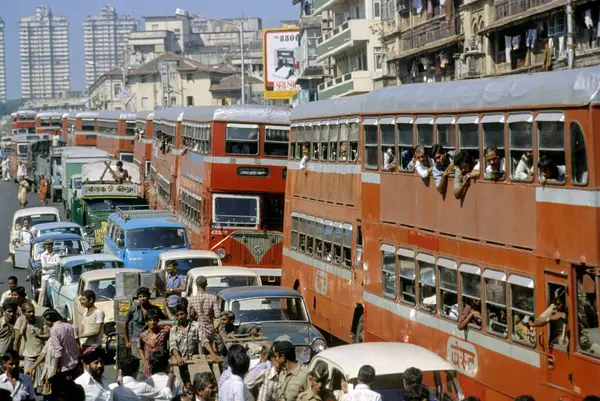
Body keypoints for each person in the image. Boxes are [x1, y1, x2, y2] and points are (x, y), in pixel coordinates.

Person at [14, 301, 49, 389]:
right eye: (29, 312)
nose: (32, 313)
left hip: (41, 355)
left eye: (32, 311)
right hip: (29, 355)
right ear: (23, 313)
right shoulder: (20, 321)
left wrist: (39, 336)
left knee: (45, 381)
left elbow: (48, 335)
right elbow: (17, 339)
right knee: (27, 380)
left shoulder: (40, 320)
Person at [124, 287, 167, 358]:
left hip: (151, 340)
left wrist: (166, 307)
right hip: (137, 339)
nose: (142, 298)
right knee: (138, 361)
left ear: (149, 297)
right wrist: (127, 341)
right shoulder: (133, 309)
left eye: (144, 296)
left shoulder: (155, 309)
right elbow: (125, 324)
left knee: (153, 361)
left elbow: (165, 320)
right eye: (140, 297)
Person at [43, 307, 81, 381]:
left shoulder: (54, 330)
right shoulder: (69, 326)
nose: (45, 323)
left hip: (64, 367)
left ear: (49, 320)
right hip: (74, 364)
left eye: (45, 321)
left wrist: (54, 370)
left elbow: (58, 351)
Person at [187, 276, 221, 356]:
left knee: (200, 352)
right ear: (206, 284)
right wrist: (215, 327)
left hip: (197, 329)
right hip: (210, 328)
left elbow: (190, 315)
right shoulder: (213, 298)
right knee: (210, 351)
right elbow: (218, 315)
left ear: (196, 285)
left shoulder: (192, 299)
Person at [138, 310, 169, 378]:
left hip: (162, 365)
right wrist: (143, 358)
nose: (152, 322)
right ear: (147, 322)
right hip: (148, 366)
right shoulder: (143, 335)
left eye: (154, 320)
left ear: (157, 321)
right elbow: (140, 347)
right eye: (150, 320)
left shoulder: (164, 332)